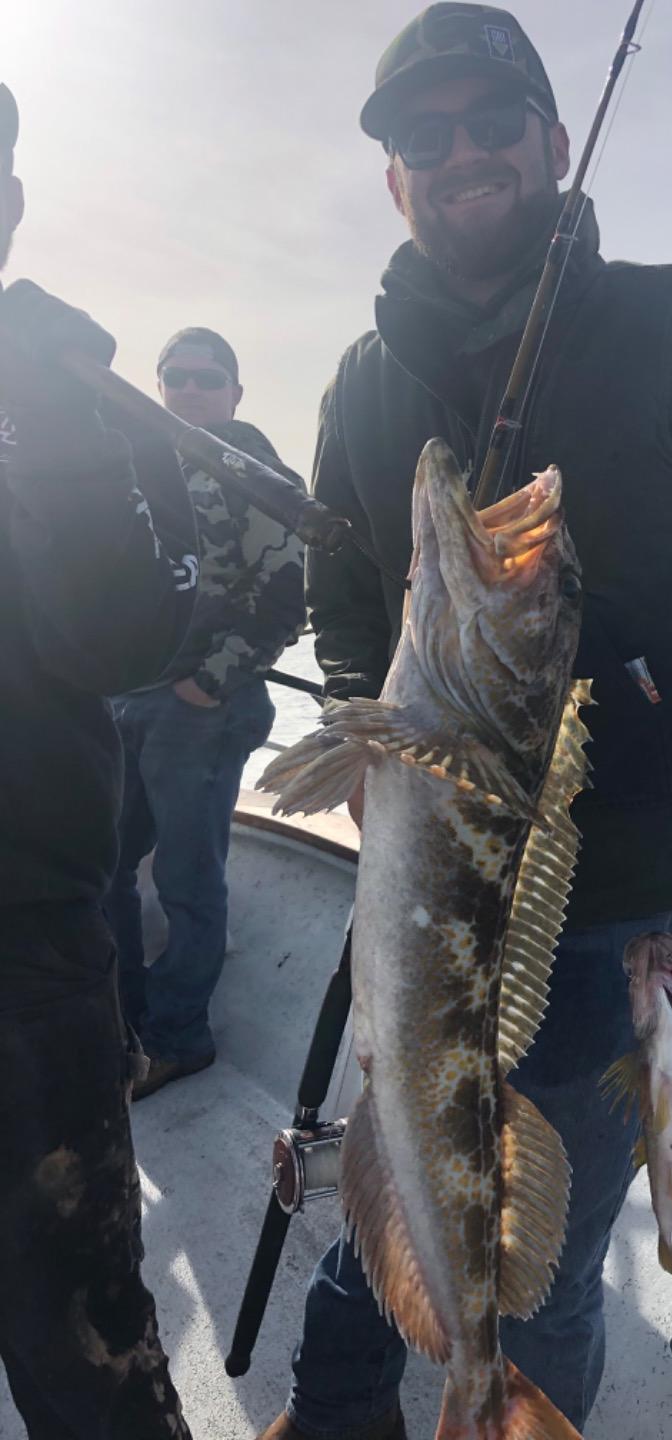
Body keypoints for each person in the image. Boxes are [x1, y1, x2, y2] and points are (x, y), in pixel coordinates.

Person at [258, 7, 672, 1438]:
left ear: (551, 138)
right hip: (422, 871)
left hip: (614, 900)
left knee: (542, 1261)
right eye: (428, 135)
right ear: (397, 178)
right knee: (395, 1165)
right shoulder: (363, 383)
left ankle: (505, 1399)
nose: (462, 151)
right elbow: (341, 585)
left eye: (491, 121)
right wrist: (365, 745)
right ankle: (339, 1413)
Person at [0, 81, 195, 1439]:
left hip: (33, 940)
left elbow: (131, 629)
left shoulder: (57, 401)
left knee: (90, 1345)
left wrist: (66, 433)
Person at [106, 326, 307, 1100]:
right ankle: (123, 1019)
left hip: (201, 710)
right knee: (104, 863)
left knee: (190, 879)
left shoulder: (259, 474)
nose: (189, 391)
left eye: (206, 378)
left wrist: (210, 682)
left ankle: (178, 1037)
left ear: (234, 392)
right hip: (128, 696)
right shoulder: (145, 466)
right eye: (175, 378)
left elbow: (287, 594)